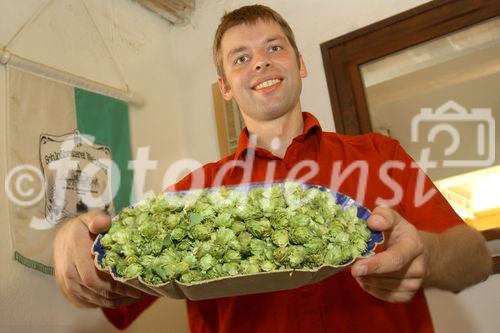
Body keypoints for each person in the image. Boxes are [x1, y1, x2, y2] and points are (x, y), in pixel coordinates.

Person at [53, 5, 493, 332]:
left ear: (300, 65)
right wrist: (75, 241)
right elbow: (113, 291)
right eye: (240, 58)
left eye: (274, 48)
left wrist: (424, 256)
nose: (260, 61)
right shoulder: (190, 195)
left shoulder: (379, 154)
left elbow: (474, 258)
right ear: (225, 87)